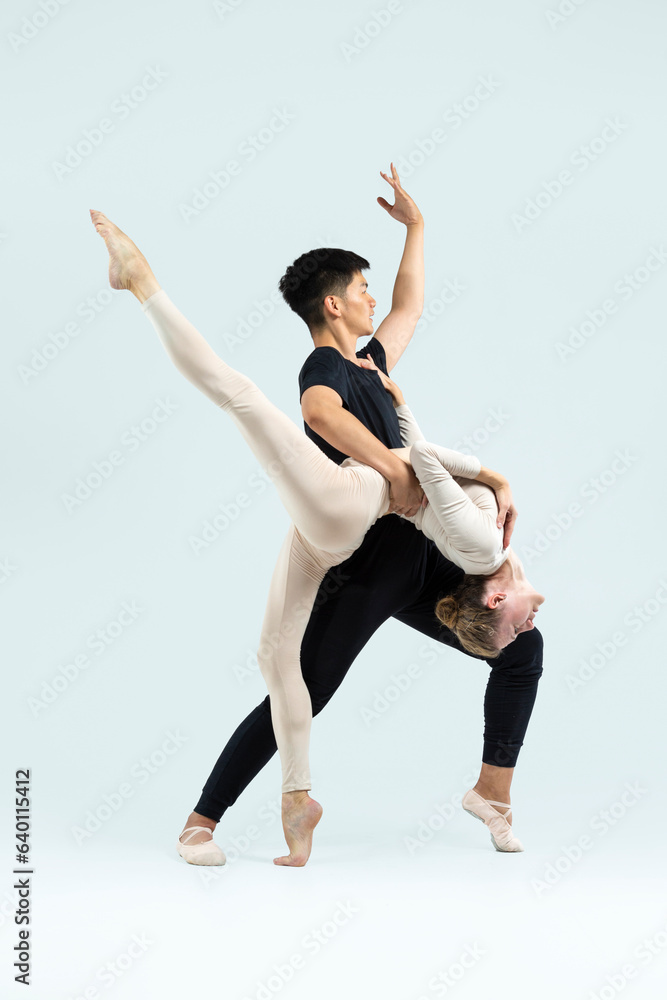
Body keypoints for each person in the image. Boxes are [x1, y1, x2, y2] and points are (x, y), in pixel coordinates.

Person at [90, 168, 544, 866]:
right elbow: (318, 417)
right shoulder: (324, 372)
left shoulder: (369, 362)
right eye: (360, 289)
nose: (371, 299)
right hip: (363, 569)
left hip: (421, 561)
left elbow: (410, 308)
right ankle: (201, 819)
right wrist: (393, 467)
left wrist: (416, 229)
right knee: (304, 688)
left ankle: (492, 791)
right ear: (332, 306)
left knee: (521, 649)